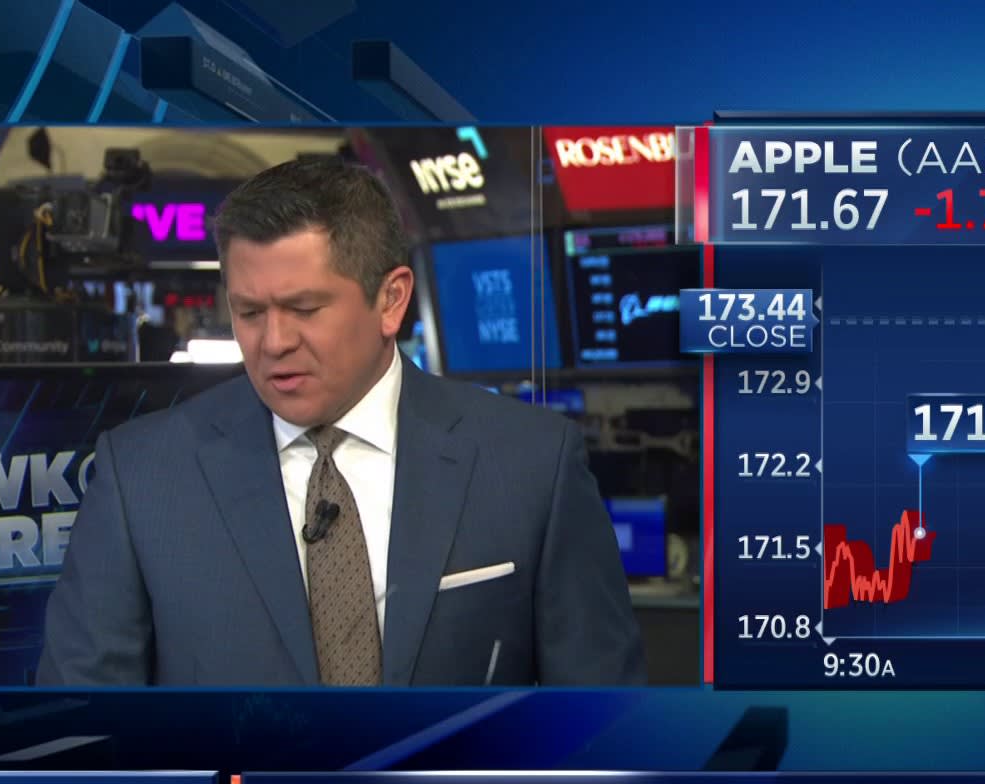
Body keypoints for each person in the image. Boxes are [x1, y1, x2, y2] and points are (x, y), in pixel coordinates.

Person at [36, 157, 644, 686]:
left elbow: (602, 722)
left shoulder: (533, 463)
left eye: (304, 308)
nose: (274, 342)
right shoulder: (140, 476)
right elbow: (81, 735)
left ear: (391, 300)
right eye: (249, 312)